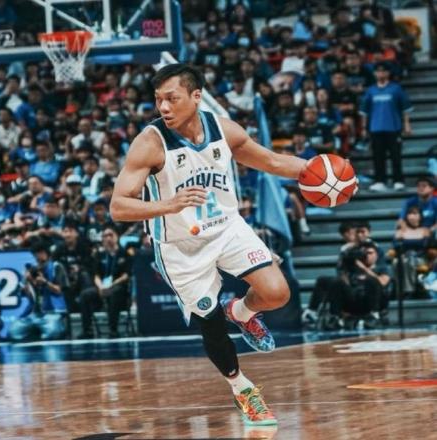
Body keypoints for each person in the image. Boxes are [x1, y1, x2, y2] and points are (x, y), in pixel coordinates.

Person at [109, 64, 335, 426]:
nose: (163, 107)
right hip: (180, 245)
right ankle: (243, 388)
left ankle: (241, 312)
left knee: (277, 293)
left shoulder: (223, 129)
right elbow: (118, 207)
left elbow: (271, 161)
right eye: (158, 100)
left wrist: (318, 171)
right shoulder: (150, 143)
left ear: (196, 96)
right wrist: (169, 204)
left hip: (227, 228)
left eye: (172, 98)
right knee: (209, 322)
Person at [360, 61, 413, 192]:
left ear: (388, 73)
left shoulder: (396, 89)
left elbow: (405, 108)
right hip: (376, 128)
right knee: (378, 157)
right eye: (378, 71)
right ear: (374, 73)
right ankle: (380, 181)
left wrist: (407, 125)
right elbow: (364, 112)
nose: (381, 73)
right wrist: (363, 128)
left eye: (383, 71)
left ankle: (398, 180)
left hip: (393, 128)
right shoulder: (371, 90)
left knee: (396, 156)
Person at [79, 224, 133, 339]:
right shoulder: (100, 255)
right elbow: (96, 275)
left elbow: (126, 276)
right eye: (105, 236)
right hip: (102, 288)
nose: (108, 238)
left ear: (117, 236)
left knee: (114, 292)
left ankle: (113, 330)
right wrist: (101, 287)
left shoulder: (125, 253)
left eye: (110, 235)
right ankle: (87, 330)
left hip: (119, 289)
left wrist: (111, 286)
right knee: (85, 295)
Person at [9, 242, 69, 341]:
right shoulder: (33, 271)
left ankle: (41, 332)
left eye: (41, 253)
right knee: (13, 332)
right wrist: (28, 282)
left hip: (53, 312)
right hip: (35, 313)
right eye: (36, 254)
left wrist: (45, 282)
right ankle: (35, 332)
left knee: (52, 333)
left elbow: (59, 291)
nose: (38, 256)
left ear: (47, 254)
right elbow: (30, 297)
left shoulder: (56, 267)